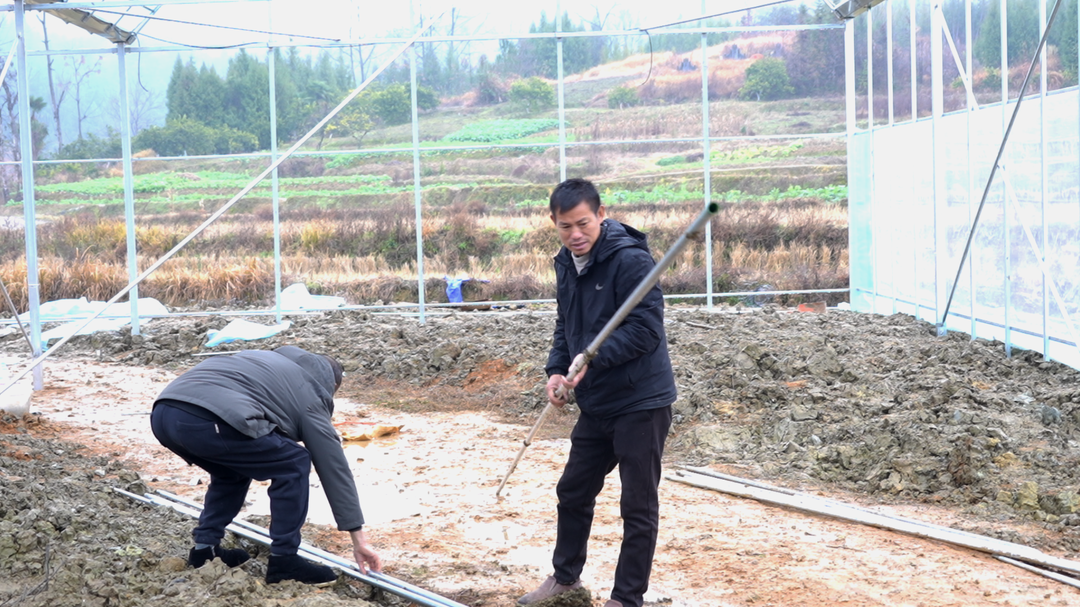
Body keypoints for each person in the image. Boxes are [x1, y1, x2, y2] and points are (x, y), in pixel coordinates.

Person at [519, 178, 677, 607]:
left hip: (640, 400)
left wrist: (592, 357)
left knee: (637, 506)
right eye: (566, 226)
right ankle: (565, 579)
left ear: (601, 215)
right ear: (553, 222)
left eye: (584, 224)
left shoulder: (630, 261)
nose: (576, 234)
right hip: (598, 402)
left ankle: (626, 599)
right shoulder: (566, 263)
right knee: (573, 489)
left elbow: (646, 332)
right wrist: (556, 370)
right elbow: (565, 325)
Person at [150, 345, 382, 585]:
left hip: (163, 415)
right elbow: (334, 468)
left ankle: (204, 551)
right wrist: (359, 540)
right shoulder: (310, 393)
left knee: (231, 472)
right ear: (331, 385)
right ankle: (285, 561)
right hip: (208, 420)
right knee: (294, 462)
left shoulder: (265, 362)